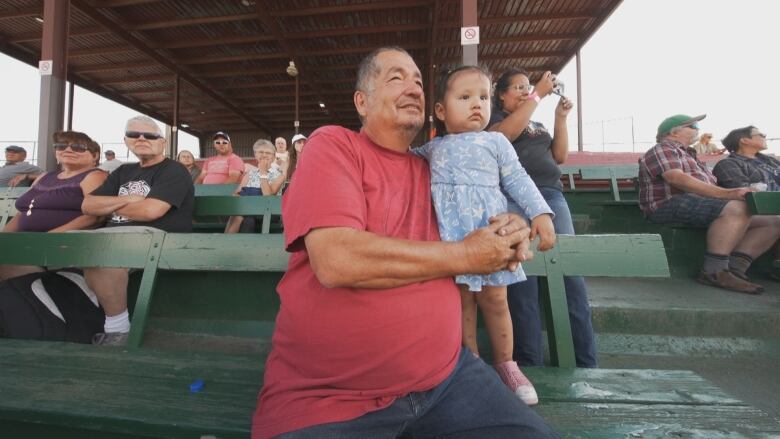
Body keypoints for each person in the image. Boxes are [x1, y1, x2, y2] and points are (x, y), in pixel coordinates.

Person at [253, 47, 558, 439]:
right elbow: (336, 260)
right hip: (328, 400)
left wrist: (509, 224)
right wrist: (465, 255)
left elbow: (484, 196)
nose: (414, 87)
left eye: (417, 80)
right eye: (396, 78)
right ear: (361, 102)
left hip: (449, 379)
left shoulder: (434, 168)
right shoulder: (334, 145)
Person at [413, 65, 554, 405]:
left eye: (483, 97)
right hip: (454, 243)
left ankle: (507, 364)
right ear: (442, 111)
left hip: (493, 236)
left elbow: (518, 179)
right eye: (465, 97)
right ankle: (470, 363)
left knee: (496, 301)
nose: (477, 104)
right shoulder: (432, 149)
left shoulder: (496, 141)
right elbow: (399, 163)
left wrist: (540, 212)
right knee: (461, 302)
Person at [489, 68, 598, 368]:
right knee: (523, 279)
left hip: (550, 195)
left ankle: (585, 362)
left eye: (528, 86)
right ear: (501, 95)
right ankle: (528, 362)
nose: (526, 91)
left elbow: (559, 156)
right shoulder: (496, 119)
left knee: (571, 276)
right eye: (519, 87)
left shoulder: (535, 121)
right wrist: (537, 93)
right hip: (513, 197)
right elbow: (503, 138)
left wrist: (560, 119)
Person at [81, 115, 194, 346]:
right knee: (43, 249)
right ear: (126, 141)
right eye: (134, 134)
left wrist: (110, 205)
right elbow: (88, 205)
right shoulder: (122, 171)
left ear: (163, 142)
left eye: (150, 135)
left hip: (156, 238)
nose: (141, 138)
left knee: (101, 252)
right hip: (112, 235)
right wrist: (132, 199)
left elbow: (151, 211)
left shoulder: (174, 170)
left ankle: (118, 331)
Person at [638, 114, 780, 294]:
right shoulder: (663, 149)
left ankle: (735, 268)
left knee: (774, 220)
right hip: (668, 204)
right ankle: (713, 271)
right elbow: (677, 179)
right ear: (673, 133)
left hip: (698, 202)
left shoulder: (690, 155)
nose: (698, 129)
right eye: (693, 125)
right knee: (739, 207)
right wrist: (729, 194)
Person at [0, 131, 108, 281]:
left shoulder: (94, 176)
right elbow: (24, 212)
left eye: (78, 147)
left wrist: (47, 239)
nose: (68, 150)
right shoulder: (45, 177)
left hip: (58, 249)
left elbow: (94, 216)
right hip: (25, 245)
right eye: (61, 146)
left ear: (95, 156)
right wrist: (4, 240)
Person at [714, 126, 780, 280]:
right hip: (756, 210)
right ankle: (735, 266)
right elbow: (744, 194)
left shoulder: (771, 162)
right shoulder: (728, 164)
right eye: (760, 134)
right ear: (744, 140)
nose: (764, 136)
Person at [225, 139, 285, 234]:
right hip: (248, 210)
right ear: (255, 155)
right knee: (248, 221)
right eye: (260, 152)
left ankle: (226, 240)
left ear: (274, 157)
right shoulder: (249, 174)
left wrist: (263, 172)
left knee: (241, 215)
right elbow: (237, 193)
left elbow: (268, 195)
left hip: (269, 211)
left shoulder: (279, 175)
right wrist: (237, 196)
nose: (264, 155)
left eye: (268, 153)